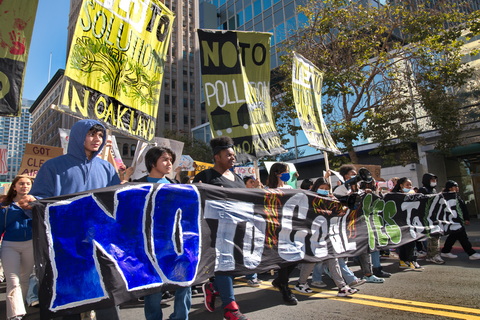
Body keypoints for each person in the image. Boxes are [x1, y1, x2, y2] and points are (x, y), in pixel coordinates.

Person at [19, 119, 122, 320]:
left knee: (107, 300)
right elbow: (41, 200)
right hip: (65, 245)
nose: (97, 139)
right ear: (77, 136)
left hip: (100, 243)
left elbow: (116, 203)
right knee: (69, 301)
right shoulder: (53, 166)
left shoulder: (108, 169)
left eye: (100, 135)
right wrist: (32, 201)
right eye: (91, 134)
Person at [133, 146, 192, 320]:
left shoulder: (175, 185)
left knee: (184, 283)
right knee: (153, 290)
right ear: (152, 162)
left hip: (175, 245)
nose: (169, 164)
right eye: (165, 160)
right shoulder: (138, 185)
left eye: (171, 160)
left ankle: (181, 317)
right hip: (149, 246)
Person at [192, 136, 248, 320]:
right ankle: (230, 308)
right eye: (228, 155)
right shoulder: (205, 177)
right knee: (224, 266)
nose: (233, 158)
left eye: (233, 155)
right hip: (216, 233)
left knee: (232, 267)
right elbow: (195, 203)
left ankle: (213, 287)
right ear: (217, 157)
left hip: (237, 230)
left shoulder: (238, 178)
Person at [295, 177, 360, 297]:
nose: (324, 190)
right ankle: (301, 283)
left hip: (327, 234)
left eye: (326, 189)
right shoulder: (309, 198)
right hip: (313, 236)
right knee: (312, 260)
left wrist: (340, 209)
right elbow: (314, 213)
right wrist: (333, 212)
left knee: (333, 259)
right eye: (321, 188)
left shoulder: (331, 199)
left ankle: (342, 287)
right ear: (315, 188)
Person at [333, 165, 384, 284]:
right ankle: (335, 271)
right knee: (343, 253)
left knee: (364, 249)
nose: (355, 176)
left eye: (356, 174)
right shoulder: (340, 189)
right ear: (345, 176)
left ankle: (368, 274)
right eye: (352, 174)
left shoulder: (360, 190)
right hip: (344, 226)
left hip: (359, 225)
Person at [1, 175, 35, 320]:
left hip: (30, 244)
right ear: (14, 187)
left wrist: (33, 206)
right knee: (13, 280)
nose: (25, 186)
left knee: (25, 279)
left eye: (28, 183)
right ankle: (15, 315)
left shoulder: (36, 203)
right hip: (10, 245)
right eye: (21, 184)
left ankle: (19, 308)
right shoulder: (5, 205)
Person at [265, 162, 300, 304]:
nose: (287, 175)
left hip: (290, 227)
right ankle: (285, 289)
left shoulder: (289, 187)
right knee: (284, 261)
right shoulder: (267, 190)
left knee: (297, 256)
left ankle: (280, 281)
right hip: (275, 230)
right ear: (276, 173)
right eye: (285, 172)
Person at [440, 180, 480, 261]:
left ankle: (445, 251)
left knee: (453, 236)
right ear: (450, 188)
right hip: (454, 221)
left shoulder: (456, 196)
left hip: (458, 220)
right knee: (462, 236)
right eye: (455, 186)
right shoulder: (446, 197)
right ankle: (471, 253)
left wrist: (466, 218)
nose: (457, 188)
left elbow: (463, 208)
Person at [391, 178, 424, 271]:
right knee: (404, 242)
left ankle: (411, 260)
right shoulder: (394, 195)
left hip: (411, 222)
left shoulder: (413, 194)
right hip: (400, 222)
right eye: (407, 184)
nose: (409, 187)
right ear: (401, 185)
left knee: (412, 241)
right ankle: (405, 261)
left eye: (410, 184)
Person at [418, 173, 445, 265]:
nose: (434, 182)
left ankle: (431, 255)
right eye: (432, 180)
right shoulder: (423, 190)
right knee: (434, 236)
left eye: (435, 180)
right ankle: (434, 255)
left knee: (434, 236)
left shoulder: (433, 190)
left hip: (433, 216)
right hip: (427, 217)